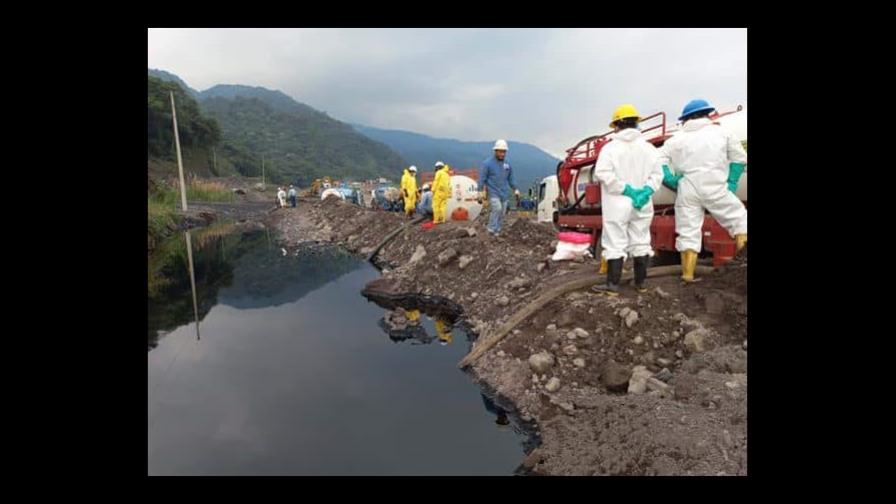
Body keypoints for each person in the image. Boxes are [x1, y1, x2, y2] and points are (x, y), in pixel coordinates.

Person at [659, 99, 748, 282]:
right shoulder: (722, 133)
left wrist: (670, 179)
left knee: (688, 231)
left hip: (687, 188)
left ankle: (688, 275)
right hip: (715, 185)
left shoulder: (676, 139)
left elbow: (658, 161)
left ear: (685, 119)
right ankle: (743, 271)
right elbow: (740, 158)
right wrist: (731, 182)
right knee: (740, 221)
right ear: (708, 114)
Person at [591, 104, 663, 296]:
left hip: (617, 203)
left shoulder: (610, 149)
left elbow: (602, 173)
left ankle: (613, 286)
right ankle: (640, 284)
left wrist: (626, 189)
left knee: (615, 241)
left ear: (616, 126)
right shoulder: (649, 149)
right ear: (636, 124)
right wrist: (645, 191)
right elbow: (658, 175)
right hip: (643, 203)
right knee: (641, 240)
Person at [479, 139, 519, 236]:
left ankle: (497, 230)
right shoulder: (487, 164)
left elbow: (511, 178)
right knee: (497, 208)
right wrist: (479, 192)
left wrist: (515, 189)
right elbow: (482, 178)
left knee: (502, 212)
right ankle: (491, 229)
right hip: (493, 192)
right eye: (500, 151)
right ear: (495, 151)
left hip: (504, 193)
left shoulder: (507, 165)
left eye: (504, 152)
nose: (502, 154)